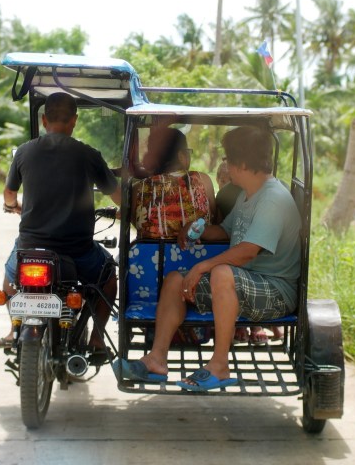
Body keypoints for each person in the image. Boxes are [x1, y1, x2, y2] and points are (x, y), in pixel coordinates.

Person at [113, 126, 301, 390]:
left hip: (275, 290)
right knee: (176, 280)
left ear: (243, 163)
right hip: (247, 284)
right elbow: (225, 231)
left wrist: (203, 266)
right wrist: (194, 227)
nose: (225, 165)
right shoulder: (250, 194)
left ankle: (220, 366)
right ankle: (156, 360)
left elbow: (247, 251)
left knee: (221, 272)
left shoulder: (272, 198)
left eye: (228, 159)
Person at [0, 92, 121, 357]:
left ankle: (13, 330)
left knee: (10, 280)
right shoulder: (89, 155)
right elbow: (119, 196)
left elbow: (9, 194)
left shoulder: (24, 152)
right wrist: (124, 211)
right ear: (74, 121)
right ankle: (97, 341)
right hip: (78, 251)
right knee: (109, 279)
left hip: (30, 248)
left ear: (43, 120)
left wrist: (13, 208)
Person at [214, 161, 283, 345]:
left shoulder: (266, 197)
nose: (228, 182)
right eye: (223, 180)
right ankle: (253, 326)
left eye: (229, 178)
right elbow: (223, 227)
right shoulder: (230, 196)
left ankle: (249, 326)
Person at [131, 127, 215, 240]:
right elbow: (214, 218)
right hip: (199, 254)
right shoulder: (202, 181)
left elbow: (137, 225)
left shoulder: (139, 189)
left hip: (151, 255)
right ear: (181, 156)